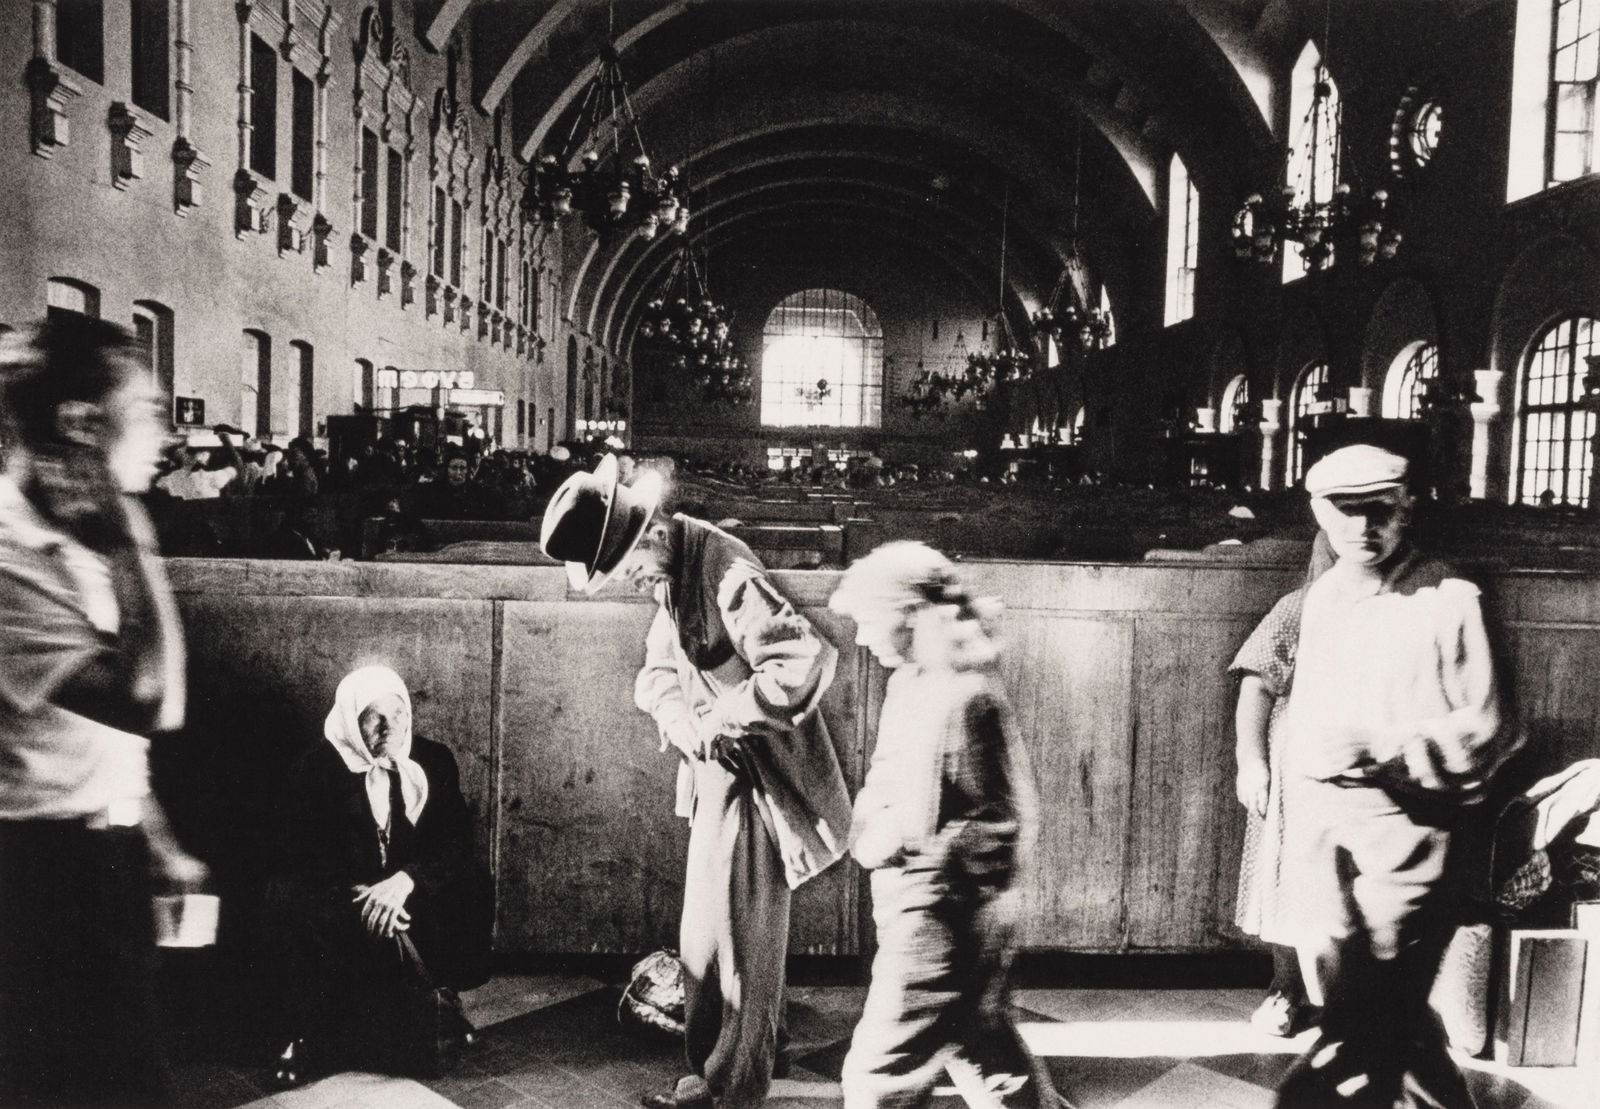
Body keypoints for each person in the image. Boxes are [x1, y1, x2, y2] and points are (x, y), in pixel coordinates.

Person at [540, 455, 852, 1109]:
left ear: (648, 531)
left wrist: (726, 716)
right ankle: (715, 1070)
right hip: (715, 775)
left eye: (624, 568)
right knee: (701, 945)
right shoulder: (669, 574)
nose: (629, 582)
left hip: (766, 779)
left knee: (745, 953)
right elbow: (654, 673)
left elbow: (802, 659)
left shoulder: (721, 563)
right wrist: (682, 719)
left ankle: (733, 1092)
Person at [1272, 444, 1519, 1109]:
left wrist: (1389, 746)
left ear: (1406, 507)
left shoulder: (1450, 597)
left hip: (1413, 841)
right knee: (1394, 1017)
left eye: (1378, 510)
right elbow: (1312, 725)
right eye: (1343, 512)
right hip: (1328, 836)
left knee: (1358, 1029)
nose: (1362, 528)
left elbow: (1494, 724)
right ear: (1318, 511)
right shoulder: (1322, 597)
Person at [0, 316, 206, 1108]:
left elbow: (89, 736)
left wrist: (153, 839)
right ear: (83, 423)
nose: (167, 432)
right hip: (36, 880)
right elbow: (150, 702)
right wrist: (131, 527)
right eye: (148, 409)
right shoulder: (12, 559)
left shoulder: (67, 540)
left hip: (96, 856)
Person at [828, 542, 1061, 1109]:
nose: (860, 637)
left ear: (909, 615)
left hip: (944, 924)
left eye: (869, 621)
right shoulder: (914, 682)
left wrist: (914, 852)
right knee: (987, 1054)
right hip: (931, 914)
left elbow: (1000, 821)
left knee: (879, 1077)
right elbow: (889, 781)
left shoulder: (965, 695)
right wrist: (875, 826)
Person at [266, 665, 492, 1085]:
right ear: (353, 719)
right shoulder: (316, 767)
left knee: (473, 877)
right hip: (349, 897)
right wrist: (366, 894)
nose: (391, 727)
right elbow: (301, 854)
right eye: (375, 716)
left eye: (399, 713)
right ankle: (308, 1030)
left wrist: (406, 881)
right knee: (285, 894)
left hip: (407, 894)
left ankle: (441, 999)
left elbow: (455, 842)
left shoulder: (433, 759)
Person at [1228, 531, 1334, 1037]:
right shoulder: (1300, 608)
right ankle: (1286, 988)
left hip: (1368, 774)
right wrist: (1251, 760)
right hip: (1297, 771)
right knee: (1284, 880)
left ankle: (1353, 998)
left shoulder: (1405, 613)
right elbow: (1257, 684)